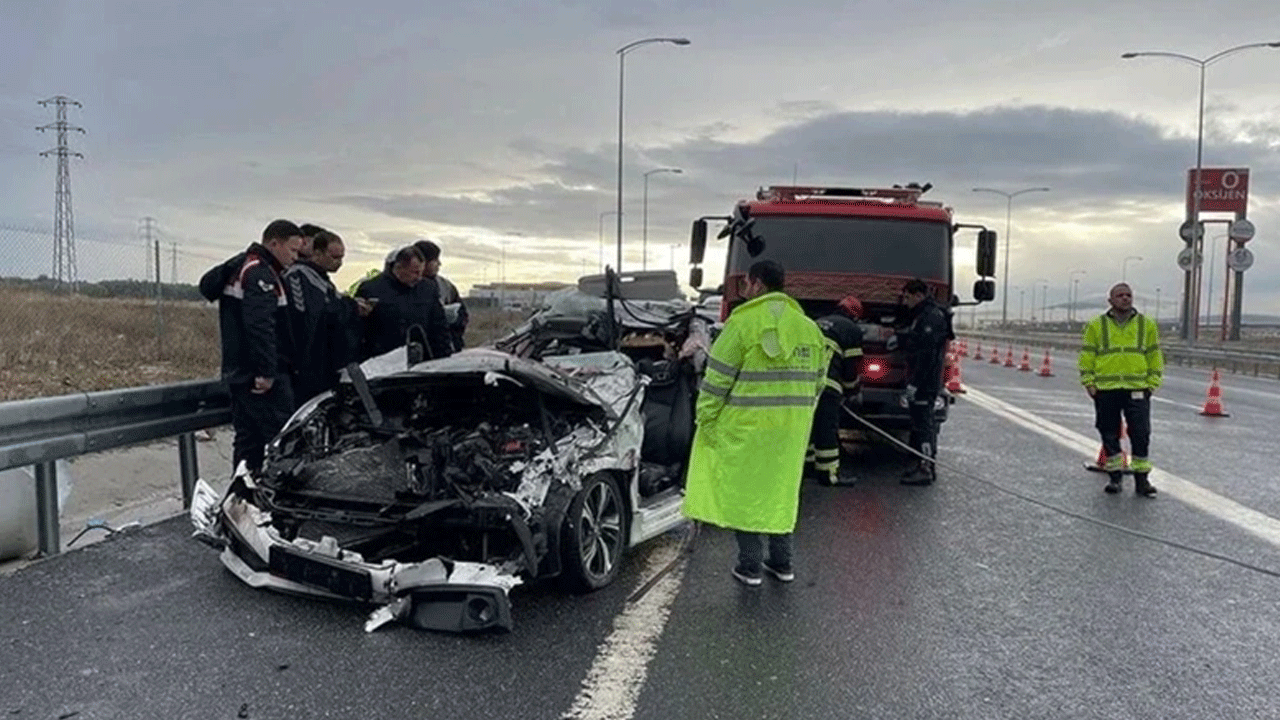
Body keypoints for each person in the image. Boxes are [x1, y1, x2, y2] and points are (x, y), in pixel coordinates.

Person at [682, 260, 828, 587]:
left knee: (746, 495)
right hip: (790, 432)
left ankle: (750, 567)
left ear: (758, 284)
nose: (745, 290)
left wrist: (705, 419)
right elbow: (819, 382)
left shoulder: (743, 324)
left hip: (746, 428)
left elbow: (716, 381)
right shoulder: (809, 328)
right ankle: (782, 563)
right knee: (781, 493)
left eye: (746, 284)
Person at [198, 219, 303, 474]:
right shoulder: (259, 273)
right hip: (260, 379)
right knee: (279, 441)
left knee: (249, 443)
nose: (295, 257)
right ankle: (269, 501)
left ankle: (244, 498)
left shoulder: (247, 267)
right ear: (274, 243)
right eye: (293, 250)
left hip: (242, 375)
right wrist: (266, 372)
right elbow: (260, 326)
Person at [1078, 282, 1163, 497]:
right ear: (1110, 301)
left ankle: (1142, 481)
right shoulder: (1096, 326)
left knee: (1141, 434)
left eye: (1128, 295)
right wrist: (1089, 382)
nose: (1125, 298)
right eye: (1120, 295)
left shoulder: (1147, 325)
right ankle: (1115, 477)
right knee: (1108, 432)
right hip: (1106, 389)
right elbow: (1088, 355)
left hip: (1137, 389)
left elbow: (1154, 356)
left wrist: (1152, 383)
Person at [283, 227, 371, 408]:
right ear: (317, 253)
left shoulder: (321, 279)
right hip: (308, 365)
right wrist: (350, 308)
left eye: (342, 258)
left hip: (328, 365)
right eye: (334, 257)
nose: (339, 263)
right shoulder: (299, 275)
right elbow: (312, 315)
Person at [893, 278, 952, 486]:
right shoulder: (922, 316)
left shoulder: (930, 318)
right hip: (921, 380)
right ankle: (919, 464)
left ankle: (926, 468)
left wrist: (914, 384)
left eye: (908, 297)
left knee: (925, 424)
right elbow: (916, 341)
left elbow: (926, 355)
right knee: (918, 424)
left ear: (918, 295)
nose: (905, 301)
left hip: (925, 383)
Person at [355, 245, 452, 361]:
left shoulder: (428, 288)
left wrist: (443, 357)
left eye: (421, 273)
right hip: (382, 359)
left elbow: (439, 325)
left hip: (422, 359)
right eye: (415, 273)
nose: (419, 278)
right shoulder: (371, 289)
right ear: (399, 268)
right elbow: (358, 329)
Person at [806, 295, 865, 486]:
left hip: (804, 384)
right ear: (855, 316)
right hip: (828, 384)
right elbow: (850, 369)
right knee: (827, 428)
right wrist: (853, 391)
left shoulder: (816, 323)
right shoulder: (851, 330)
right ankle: (829, 474)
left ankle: (806, 467)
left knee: (809, 426)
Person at [414, 239, 469, 352]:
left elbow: (462, 315)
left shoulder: (446, 286)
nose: (439, 264)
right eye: (435, 260)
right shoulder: (406, 285)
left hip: (445, 347)